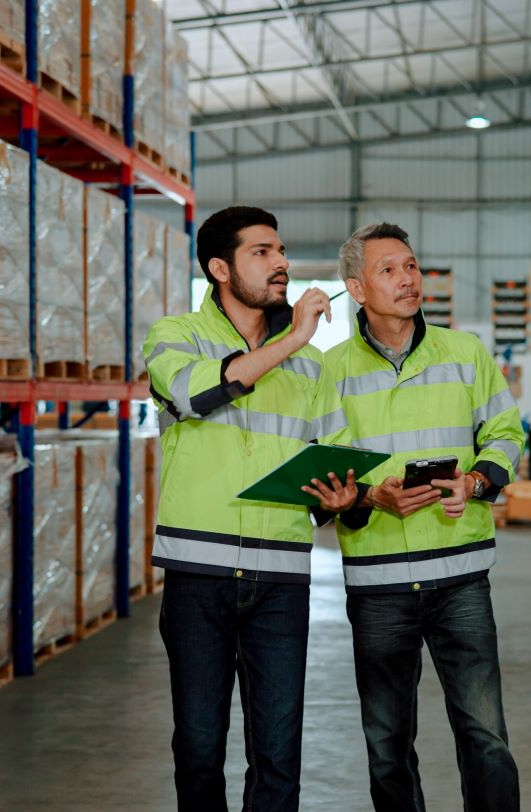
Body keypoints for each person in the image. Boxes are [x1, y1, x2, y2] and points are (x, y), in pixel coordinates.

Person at [142, 206, 358, 811]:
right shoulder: (174, 336)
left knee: (278, 752)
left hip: (282, 578)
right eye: (262, 251)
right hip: (198, 575)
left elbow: (329, 457)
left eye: (281, 250)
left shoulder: (312, 366)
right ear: (219, 268)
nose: (282, 262)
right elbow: (194, 394)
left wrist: (340, 498)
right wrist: (293, 339)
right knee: (201, 748)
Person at [322, 222, 524, 812]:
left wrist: (477, 481)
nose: (408, 278)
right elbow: (331, 471)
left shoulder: (465, 354)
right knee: (387, 744)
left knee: (485, 736)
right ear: (357, 289)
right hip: (378, 585)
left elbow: (506, 433)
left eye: (411, 266)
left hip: (461, 578)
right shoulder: (330, 371)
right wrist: (368, 497)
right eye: (389, 269)